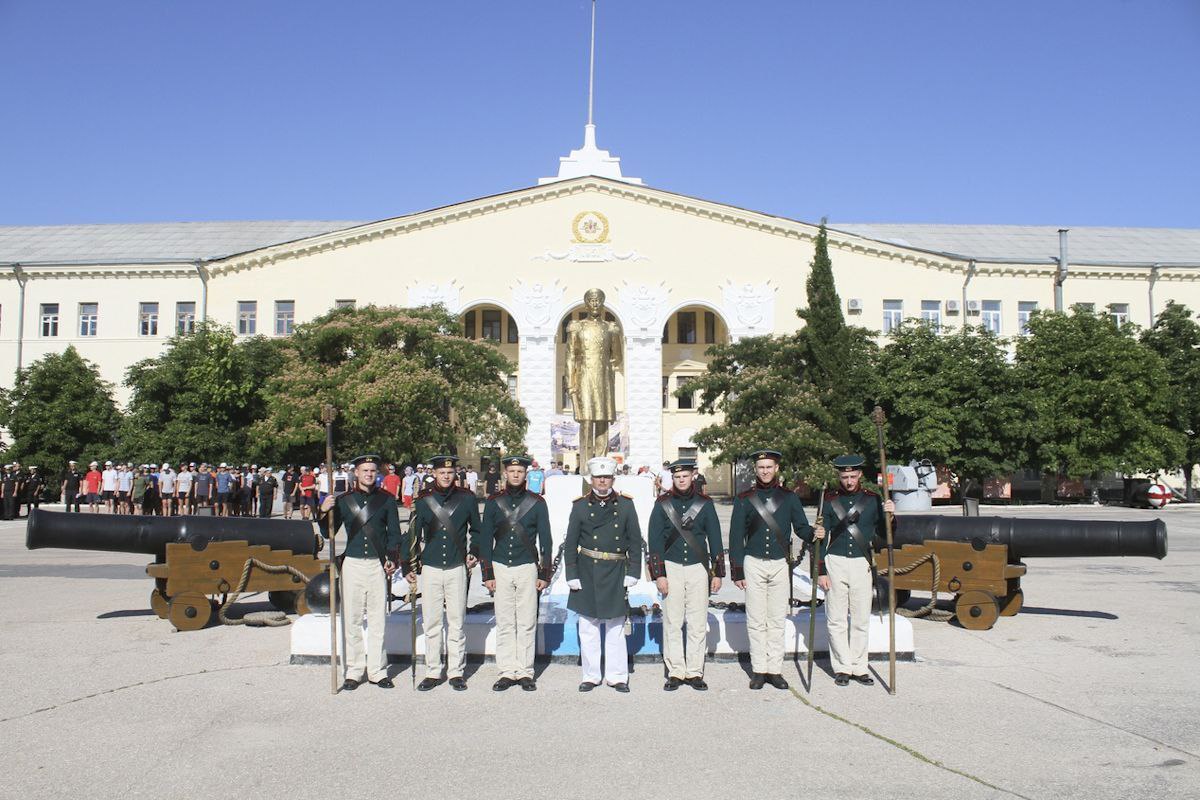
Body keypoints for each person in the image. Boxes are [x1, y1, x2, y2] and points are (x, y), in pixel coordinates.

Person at [729, 449, 816, 691]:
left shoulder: (789, 498)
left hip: (779, 564)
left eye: (769, 467)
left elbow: (800, 528)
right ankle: (759, 670)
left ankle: (775, 670)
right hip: (753, 563)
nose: (765, 471)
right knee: (756, 619)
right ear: (756, 470)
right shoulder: (745, 498)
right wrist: (738, 572)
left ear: (777, 468)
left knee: (777, 619)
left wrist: (814, 533)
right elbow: (736, 536)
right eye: (761, 467)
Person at [320, 455, 402, 690]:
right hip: (353, 564)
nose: (369, 474)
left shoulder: (386, 500)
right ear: (356, 473)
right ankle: (354, 671)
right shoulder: (344, 500)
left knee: (377, 620)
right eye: (364, 470)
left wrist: (392, 558)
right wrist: (324, 510)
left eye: (372, 470)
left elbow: (395, 534)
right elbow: (329, 533)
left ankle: (377, 671)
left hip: (377, 564)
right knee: (352, 619)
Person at [563, 456, 642, 693]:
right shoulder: (579, 506)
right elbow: (570, 543)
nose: (602, 481)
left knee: (616, 626)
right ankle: (591, 675)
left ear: (613, 479)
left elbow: (635, 541)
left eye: (606, 477)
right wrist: (571, 573)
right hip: (587, 569)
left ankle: (617, 676)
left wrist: (634, 571)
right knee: (588, 625)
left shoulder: (626, 505)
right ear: (591, 479)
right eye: (598, 477)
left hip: (616, 570)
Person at [814, 455, 894, 687]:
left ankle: (859, 667)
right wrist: (820, 570)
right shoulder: (829, 500)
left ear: (860, 475)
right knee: (836, 618)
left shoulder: (872, 499)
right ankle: (842, 667)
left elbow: (885, 533)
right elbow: (821, 538)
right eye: (844, 476)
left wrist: (890, 514)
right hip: (835, 562)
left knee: (860, 618)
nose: (849, 481)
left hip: (862, 562)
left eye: (852, 476)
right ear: (839, 476)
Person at [402, 454, 480, 692]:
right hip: (432, 568)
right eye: (441, 472)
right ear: (433, 474)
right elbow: (413, 534)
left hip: (457, 567)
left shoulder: (467, 499)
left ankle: (456, 671)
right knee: (432, 623)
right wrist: (408, 565)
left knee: (457, 622)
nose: (446, 476)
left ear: (455, 473)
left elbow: (477, 529)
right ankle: (433, 671)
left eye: (450, 472)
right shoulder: (424, 500)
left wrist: (474, 550)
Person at [647, 458, 724, 691]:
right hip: (671, 567)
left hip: (698, 568)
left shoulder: (705, 503)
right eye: (677, 477)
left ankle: (694, 672)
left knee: (698, 621)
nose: (681, 480)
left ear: (693, 476)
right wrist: (659, 574)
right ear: (672, 478)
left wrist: (717, 573)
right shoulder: (662, 504)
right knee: (672, 620)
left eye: (685, 476)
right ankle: (675, 671)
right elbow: (655, 541)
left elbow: (716, 539)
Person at [479, 454, 553, 692]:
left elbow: (546, 541)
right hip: (500, 566)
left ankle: (524, 671)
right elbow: (485, 539)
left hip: (526, 567)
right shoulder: (493, 502)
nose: (515, 475)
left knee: (527, 621)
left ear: (526, 474)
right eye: (512, 471)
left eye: (520, 472)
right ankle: (506, 671)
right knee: (505, 620)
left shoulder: (537, 502)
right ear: (505, 474)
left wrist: (544, 573)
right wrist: (487, 573)